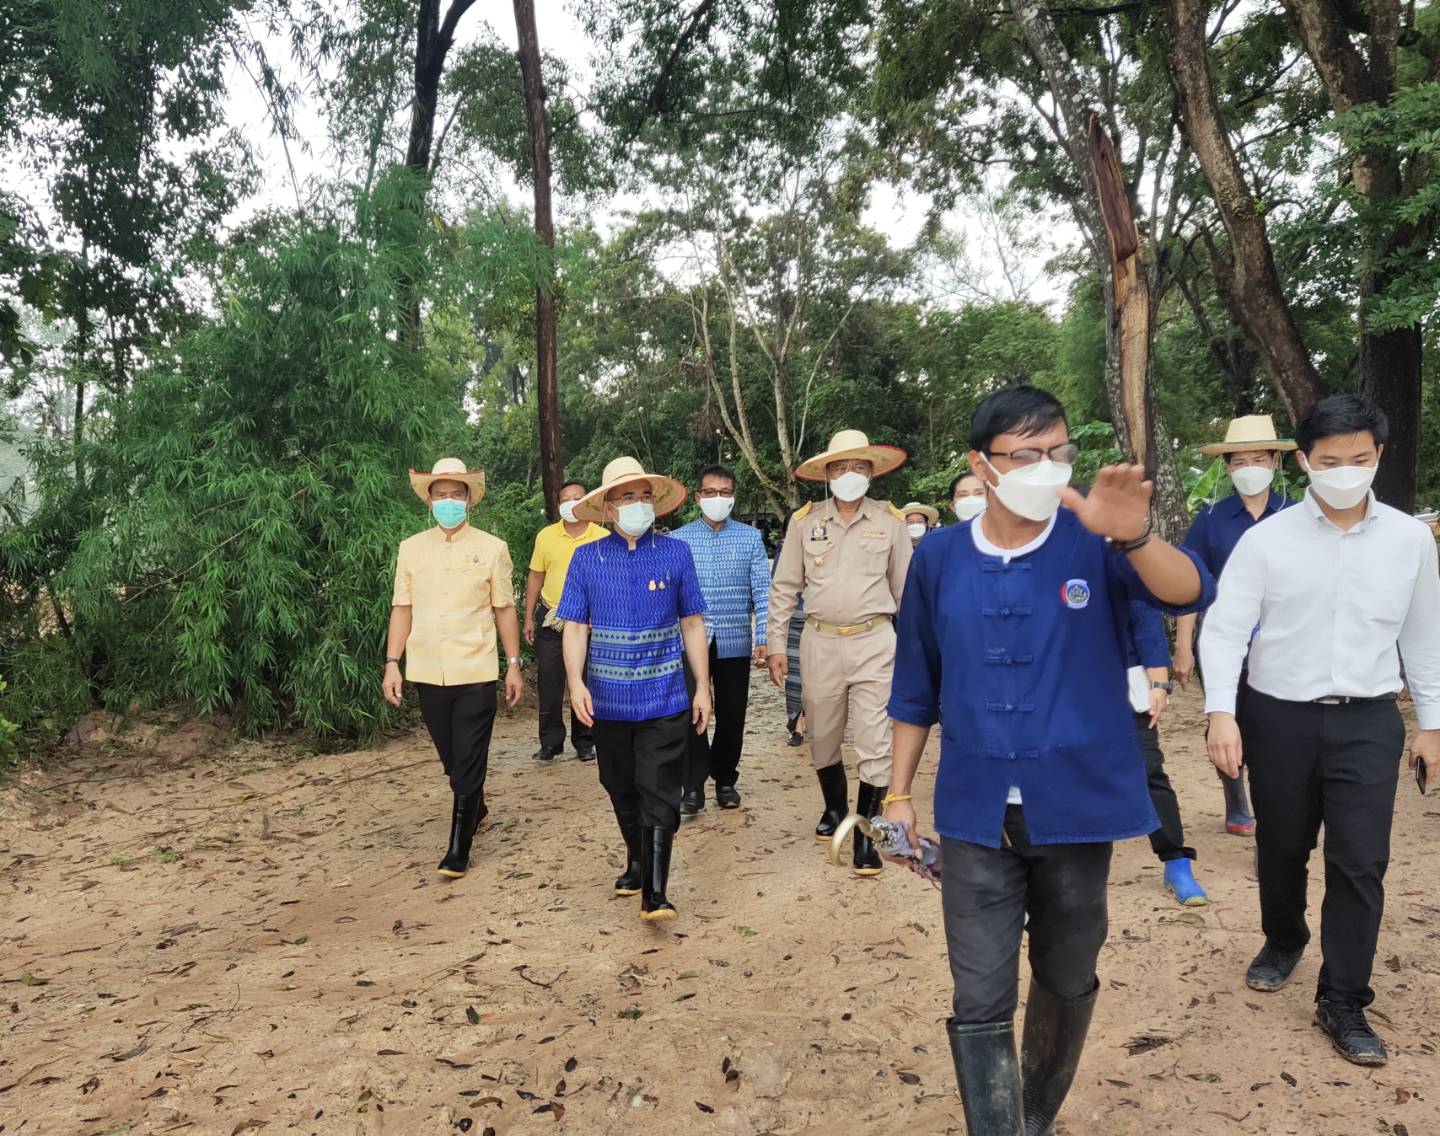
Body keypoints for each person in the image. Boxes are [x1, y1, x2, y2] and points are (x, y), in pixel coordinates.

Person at [883, 386, 1213, 1135]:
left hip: (1073, 807)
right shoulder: (937, 557)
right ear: (981, 465)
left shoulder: (1092, 543)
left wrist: (1133, 537)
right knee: (980, 992)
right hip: (975, 811)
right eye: (1025, 454)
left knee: (1067, 973)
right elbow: (915, 683)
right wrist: (897, 794)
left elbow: (1189, 587)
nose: (1045, 466)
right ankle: (996, 1128)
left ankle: (1034, 1113)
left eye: (1057, 452)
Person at [1200, 394, 1440, 1067]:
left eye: (1359, 459)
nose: (1344, 471)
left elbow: (1423, 634)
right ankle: (1283, 936)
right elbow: (1224, 628)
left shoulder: (1408, 539)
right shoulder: (1266, 541)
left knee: (1361, 861)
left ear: (1379, 456)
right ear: (1303, 461)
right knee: (1282, 847)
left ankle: (1343, 999)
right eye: (1329, 461)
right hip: (1278, 717)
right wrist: (1222, 709)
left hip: (1368, 719)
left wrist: (1432, 722)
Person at [557, 456, 713, 922]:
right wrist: (575, 682)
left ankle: (657, 892)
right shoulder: (586, 558)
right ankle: (638, 859)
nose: (638, 505)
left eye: (645, 496)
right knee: (619, 784)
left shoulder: (675, 553)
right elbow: (575, 628)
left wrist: (702, 687)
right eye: (627, 497)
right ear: (608, 506)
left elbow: (691, 622)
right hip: (605, 699)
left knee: (660, 788)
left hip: (665, 695)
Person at [767, 429, 913, 877]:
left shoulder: (891, 522)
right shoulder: (804, 522)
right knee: (824, 736)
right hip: (820, 641)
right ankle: (834, 810)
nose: (849, 475)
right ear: (826, 474)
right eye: (840, 467)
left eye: (858, 466)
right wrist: (776, 644)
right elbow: (785, 587)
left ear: (871, 471)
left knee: (876, 741)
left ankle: (865, 838)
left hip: (875, 641)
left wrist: (915, 650)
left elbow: (907, 591)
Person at [383, 458, 525, 879]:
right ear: (429, 500)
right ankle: (476, 806)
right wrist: (393, 663)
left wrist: (513, 665)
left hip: (476, 668)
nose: (448, 501)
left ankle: (458, 849)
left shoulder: (492, 547)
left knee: (468, 756)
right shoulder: (411, 548)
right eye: (440, 494)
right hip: (427, 668)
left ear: (469, 500)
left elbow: (504, 609)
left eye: (456, 494)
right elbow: (401, 609)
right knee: (451, 757)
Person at [1174, 415, 1297, 836]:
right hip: (1225, 644)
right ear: (1227, 467)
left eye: (1258, 459)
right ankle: (1236, 798)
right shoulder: (1211, 520)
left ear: (1276, 462)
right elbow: (1190, 586)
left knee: (1276, 726)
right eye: (1239, 461)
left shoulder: (1298, 516)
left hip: (1285, 645)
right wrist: (1184, 646)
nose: (1249, 468)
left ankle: (1273, 802)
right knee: (1227, 718)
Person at [671, 464, 771, 814]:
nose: (718, 499)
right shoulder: (679, 540)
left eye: (725, 492)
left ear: (734, 496)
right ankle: (693, 785)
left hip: (733, 639)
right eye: (710, 492)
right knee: (689, 711)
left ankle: (725, 778)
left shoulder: (749, 538)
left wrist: (764, 636)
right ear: (697, 497)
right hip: (688, 642)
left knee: (732, 712)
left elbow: (762, 589)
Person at [1128, 599, 1207, 905]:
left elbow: (1147, 623)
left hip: (1127, 682)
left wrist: (1159, 683)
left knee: (1148, 769)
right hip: (1065, 686)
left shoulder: (1126, 560)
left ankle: (1176, 862)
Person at [523, 479, 608, 763]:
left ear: (588, 502)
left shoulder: (601, 535)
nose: (570, 503)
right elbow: (536, 576)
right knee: (550, 681)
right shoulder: (545, 536)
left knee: (584, 681)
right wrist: (528, 618)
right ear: (558, 504)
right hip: (552, 619)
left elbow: (608, 581)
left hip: (588, 622)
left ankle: (585, 741)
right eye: (565, 498)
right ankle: (550, 743)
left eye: (577, 497)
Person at [773, 506, 808, 748]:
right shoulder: (783, 552)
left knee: (821, 679)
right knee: (794, 677)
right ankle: (796, 724)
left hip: (824, 623)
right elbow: (779, 591)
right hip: (794, 622)